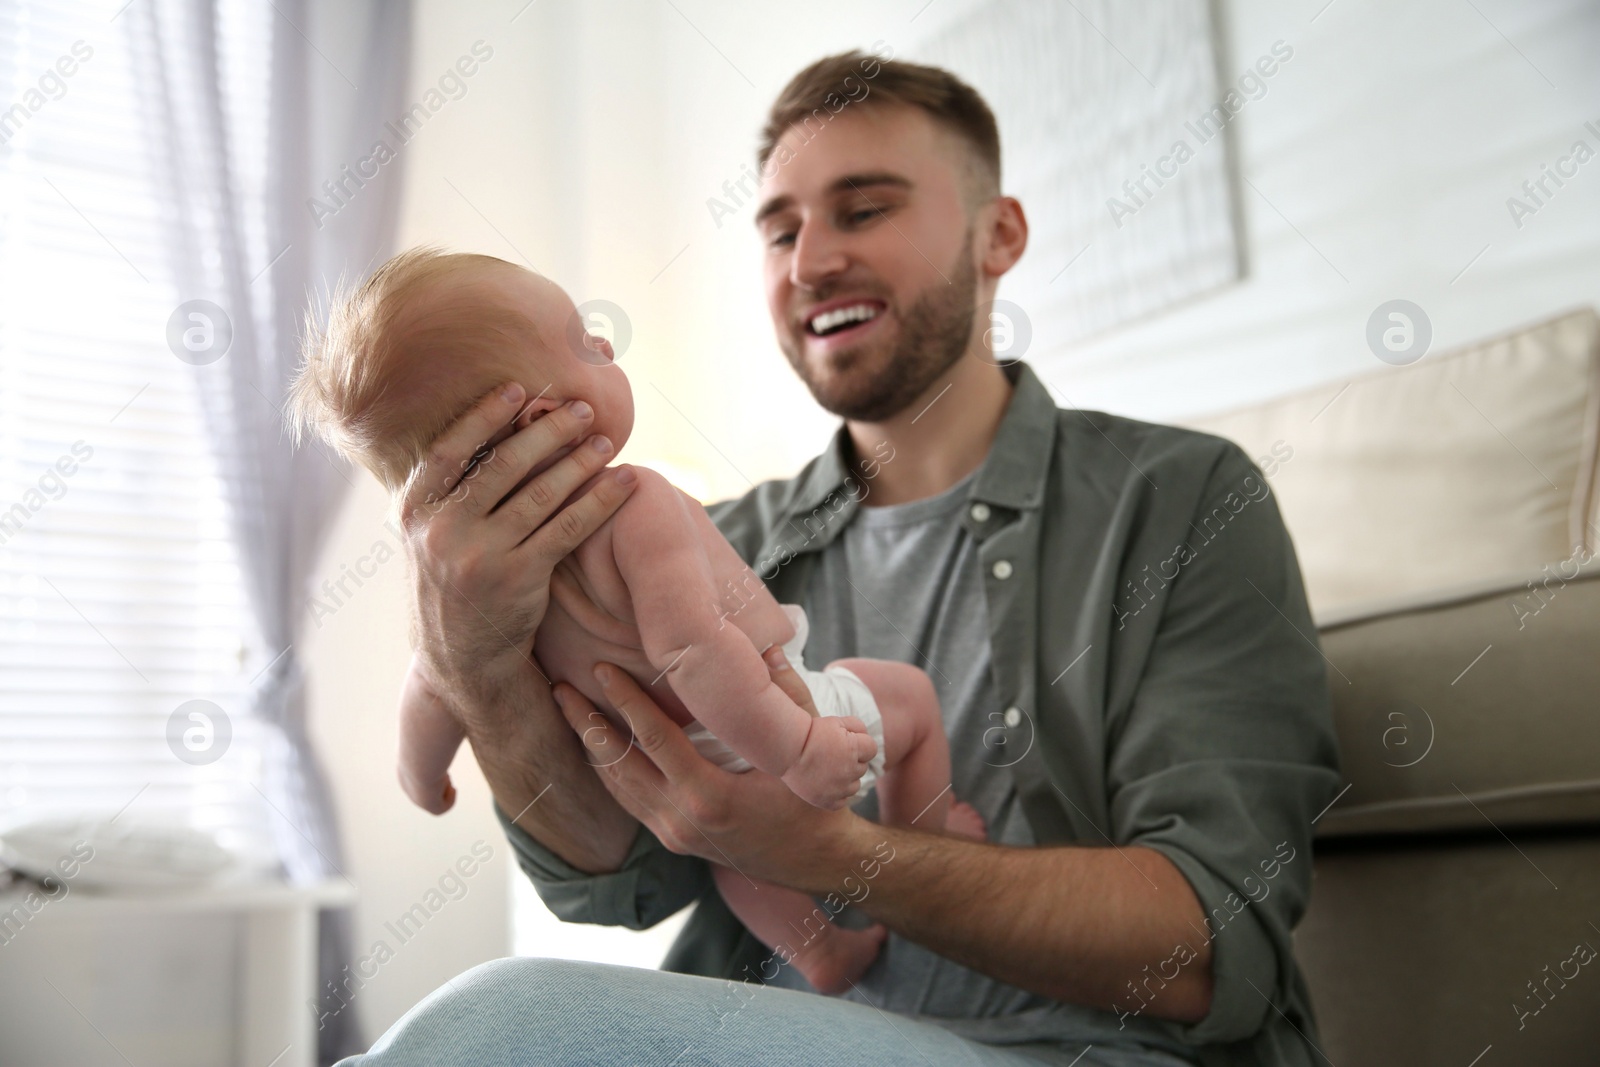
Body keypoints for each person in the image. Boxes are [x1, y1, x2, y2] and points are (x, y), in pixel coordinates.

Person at [338, 51, 1341, 1067]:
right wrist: (470, 649)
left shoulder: (1178, 500)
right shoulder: (719, 537)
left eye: (862, 211)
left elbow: (1207, 946)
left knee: (494, 1025)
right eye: (779, 229)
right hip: (769, 1034)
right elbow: (609, 878)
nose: (809, 262)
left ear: (998, 236)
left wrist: (825, 854)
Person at [289, 247, 981, 993]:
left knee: (733, 853)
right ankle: (922, 837)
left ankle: (820, 954)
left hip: (664, 765)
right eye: (585, 343)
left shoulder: (487, 599)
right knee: (905, 696)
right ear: (544, 420)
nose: (607, 345)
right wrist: (801, 743)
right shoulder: (636, 502)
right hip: (756, 716)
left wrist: (422, 778)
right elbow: (694, 648)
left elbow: (432, 688)